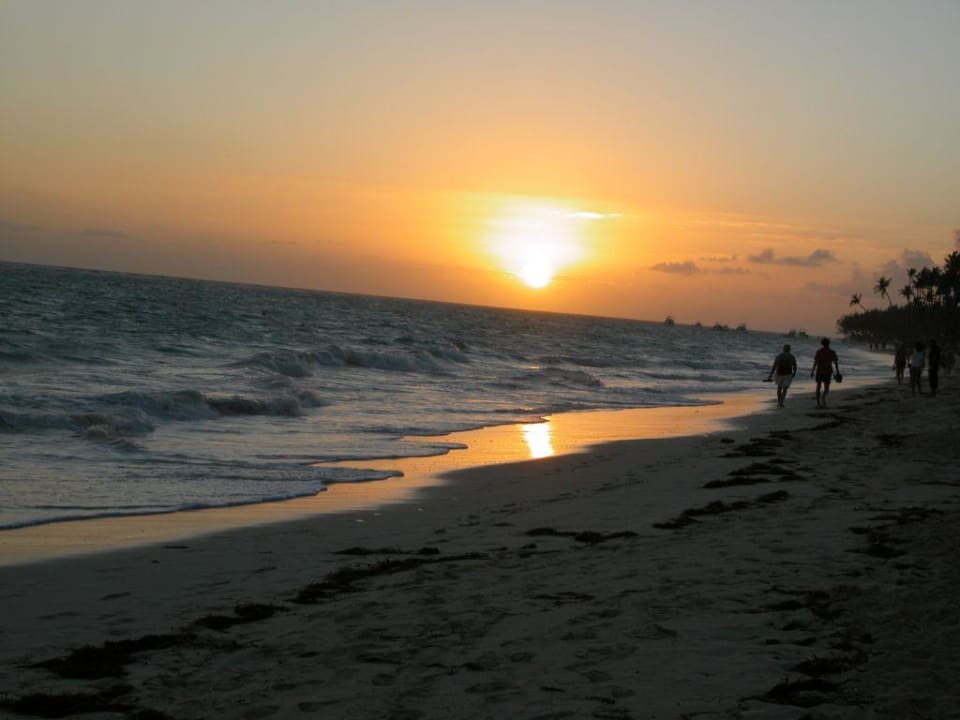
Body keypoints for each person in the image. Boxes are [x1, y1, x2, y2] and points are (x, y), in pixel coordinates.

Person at [810, 338, 840, 408]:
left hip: (819, 371)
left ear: (822, 343)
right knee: (826, 388)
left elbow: (815, 362)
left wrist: (812, 371)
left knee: (818, 387)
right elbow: (836, 363)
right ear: (828, 343)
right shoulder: (832, 352)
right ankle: (823, 399)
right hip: (828, 371)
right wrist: (837, 372)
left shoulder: (819, 351)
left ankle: (818, 402)